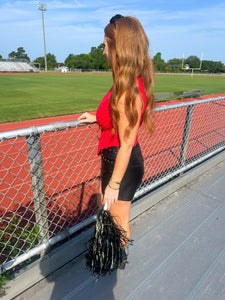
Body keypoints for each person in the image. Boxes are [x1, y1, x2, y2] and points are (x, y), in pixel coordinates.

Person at [79, 14, 155, 268]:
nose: (103, 51)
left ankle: (117, 262)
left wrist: (113, 183)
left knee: (119, 218)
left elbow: (126, 142)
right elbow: (116, 120)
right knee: (112, 214)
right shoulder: (127, 83)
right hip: (117, 160)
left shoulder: (127, 92)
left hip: (121, 163)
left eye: (105, 45)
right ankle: (114, 258)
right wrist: (96, 117)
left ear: (118, 48)